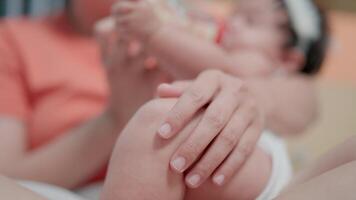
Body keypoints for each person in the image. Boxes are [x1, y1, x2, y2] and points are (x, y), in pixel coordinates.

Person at [0, 0, 318, 196]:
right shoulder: (13, 39)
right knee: (155, 128)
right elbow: (7, 175)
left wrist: (248, 97)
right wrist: (115, 121)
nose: (234, 22)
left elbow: (301, 95)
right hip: (87, 187)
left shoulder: (186, 22)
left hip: (218, 165)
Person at [112, 0, 328, 78]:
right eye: (235, 14)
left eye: (250, 21)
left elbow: (221, 68)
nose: (233, 23)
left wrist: (155, 33)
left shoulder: (260, 65)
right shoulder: (225, 43)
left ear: (288, 59)